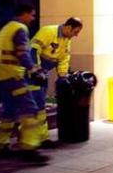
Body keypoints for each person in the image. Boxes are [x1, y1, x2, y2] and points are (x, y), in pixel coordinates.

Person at [0, 4, 48, 164]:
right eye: (32, 15)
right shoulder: (20, 29)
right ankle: (29, 149)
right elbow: (23, 54)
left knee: (9, 111)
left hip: (2, 76)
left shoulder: (4, 29)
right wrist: (35, 70)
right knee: (30, 109)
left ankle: (1, 146)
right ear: (23, 14)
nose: (33, 18)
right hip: (14, 76)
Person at [30, 17, 83, 147]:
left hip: (43, 73)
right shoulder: (48, 32)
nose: (76, 35)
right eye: (76, 31)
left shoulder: (66, 40)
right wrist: (36, 70)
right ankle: (35, 138)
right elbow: (33, 50)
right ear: (68, 27)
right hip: (33, 74)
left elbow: (64, 58)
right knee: (36, 105)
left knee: (39, 105)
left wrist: (63, 76)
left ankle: (39, 138)